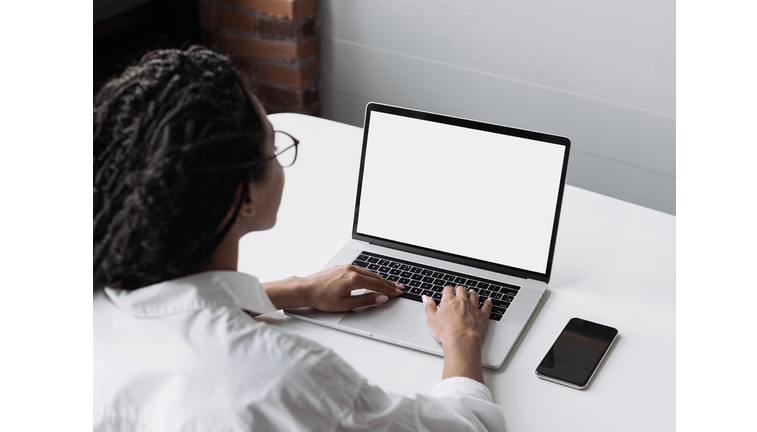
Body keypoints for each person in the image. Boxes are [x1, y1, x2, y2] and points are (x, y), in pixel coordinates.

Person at [93, 46, 506, 431]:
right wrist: (462, 340)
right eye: (274, 148)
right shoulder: (284, 377)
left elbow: (173, 313)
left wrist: (295, 289)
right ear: (244, 195)